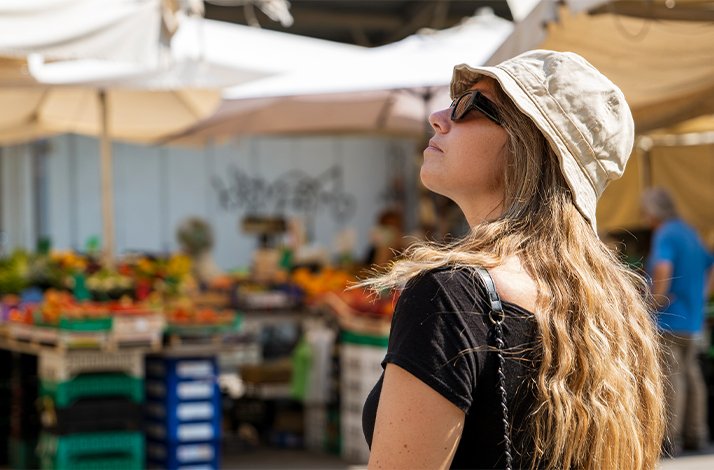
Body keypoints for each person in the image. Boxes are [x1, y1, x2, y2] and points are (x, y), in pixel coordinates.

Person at [360, 50, 665, 469]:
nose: (438, 116)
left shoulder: (452, 295)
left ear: (529, 146)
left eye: (470, 106)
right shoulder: (617, 314)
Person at [641, 187, 714, 455]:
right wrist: (701, 295)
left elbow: (662, 267)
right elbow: (711, 263)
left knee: (672, 378)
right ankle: (697, 434)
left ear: (654, 211)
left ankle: (671, 440)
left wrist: (655, 299)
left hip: (670, 318)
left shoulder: (666, 233)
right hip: (692, 318)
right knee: (692, 376)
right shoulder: (690, 232)